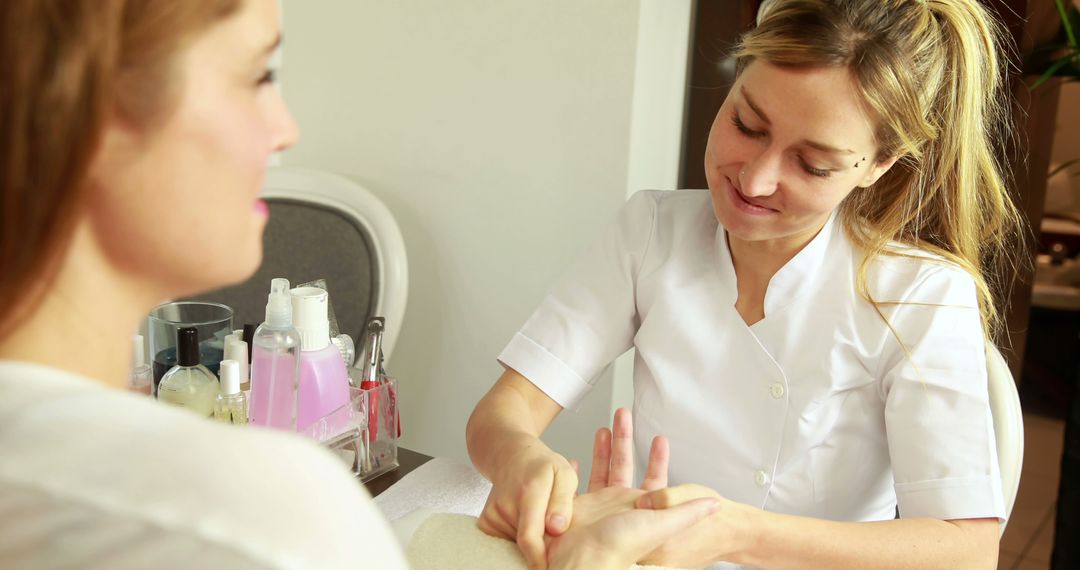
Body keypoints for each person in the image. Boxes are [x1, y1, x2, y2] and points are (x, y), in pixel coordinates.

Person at [0, 1, 715, 568]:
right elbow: (501, 416)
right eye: (259, 76)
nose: (284, 129)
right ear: (89, 111)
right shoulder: (266, 513)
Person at [467, 0, 1026, 568]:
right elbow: (507, 408)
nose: (755, 179)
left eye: (813, 165)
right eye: (747, 125)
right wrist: (522, 460)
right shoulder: (652, 232)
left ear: (880, 165)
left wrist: (735, 533)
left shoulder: (919, 295)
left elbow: (967, 550)